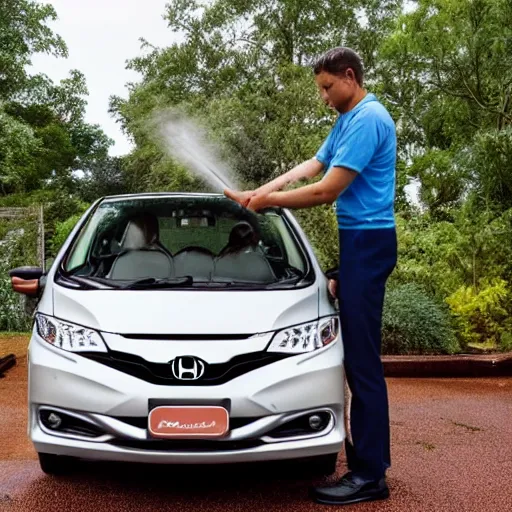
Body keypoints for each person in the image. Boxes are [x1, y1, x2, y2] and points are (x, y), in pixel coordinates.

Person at [224, 46, 397, 506]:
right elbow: (313, 165)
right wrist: (259, 191)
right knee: (355, 360)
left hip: (369, 241)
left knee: (362, 364)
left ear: (349, 76)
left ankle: (370, 476)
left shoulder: (368, 119)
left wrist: (268, 204)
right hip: (358, 241)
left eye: (326, 87)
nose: (323, 97)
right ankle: (366, 467)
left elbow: (325, 190)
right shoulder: (346, 119)